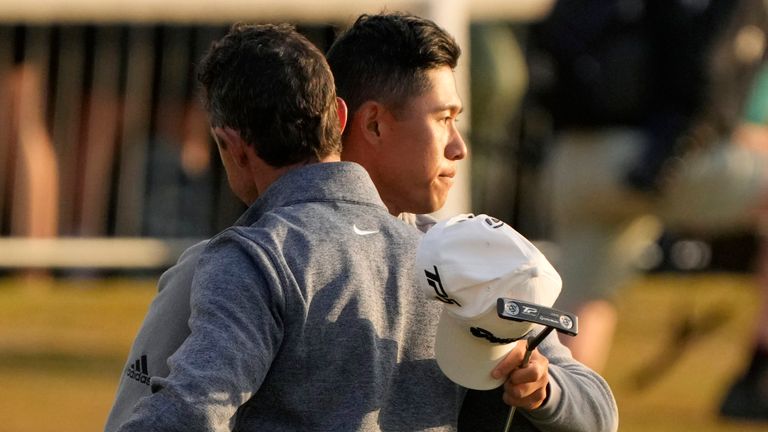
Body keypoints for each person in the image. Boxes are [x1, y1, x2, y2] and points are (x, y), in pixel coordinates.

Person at [107, 14, 618, 432]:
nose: (460, 146)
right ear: (365, 120)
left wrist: (543, 388)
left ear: (230, 145)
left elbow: (599, 409)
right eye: (443, 119)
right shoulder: (229, 262)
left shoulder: (252, 258)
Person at [526, 0, 768, 379]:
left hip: (572, 160)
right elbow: (706, 83)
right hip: (655, 159)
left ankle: (558, 412)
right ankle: (759, 372)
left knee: (580, 304)